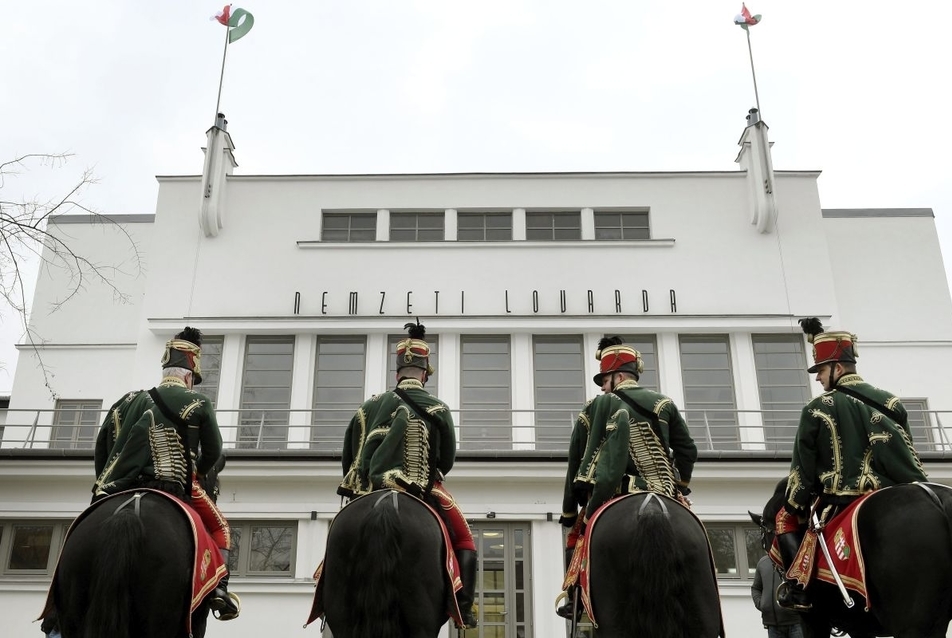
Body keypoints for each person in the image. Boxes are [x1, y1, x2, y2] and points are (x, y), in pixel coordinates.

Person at [774, 318, 927, 610]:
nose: (818, 378)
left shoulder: (817, 408)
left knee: (783, 518)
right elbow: (908, 449)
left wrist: (794, 503)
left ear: (838, 368)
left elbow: (802, 471)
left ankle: (800, 591)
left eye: (820, 370)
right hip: (896, 492)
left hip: (841, 499)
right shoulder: (892, 403)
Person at [93, 327, 240, 621]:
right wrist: (195, 471)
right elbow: (213, 450)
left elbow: (104, 447)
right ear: (189, 376)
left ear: (165, 369)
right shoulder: (198, 403)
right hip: (175, 487)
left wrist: (109, 482)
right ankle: (219, 592)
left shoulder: (130, 401)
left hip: (120, 485)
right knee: (220, 527)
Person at [338, 321, 478, 629]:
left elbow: (349, 456)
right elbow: (446, 459)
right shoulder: (437, 407)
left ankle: (326, 598)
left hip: (368, 491)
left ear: (397, 371)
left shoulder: (367, 407)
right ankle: (464, 609)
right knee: (466, 540)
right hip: (423, 491)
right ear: (426, 372)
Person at [556, 336, 698, 620]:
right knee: (695, 534)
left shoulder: (595, 407)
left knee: (576, 538)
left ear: (618, 376)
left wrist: (571, 511)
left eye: (604, 380)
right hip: (664, 491)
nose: (602, 387)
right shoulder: (663, 404)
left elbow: (575, 462)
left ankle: (575, 599)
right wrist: (680, 485)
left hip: (615, 494)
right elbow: (688, 451)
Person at [752, 554, 804, 638]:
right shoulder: (762, 563)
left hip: (797, 623)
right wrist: (762, 604)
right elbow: (756, 588)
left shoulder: (795, 558)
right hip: (772, 625)